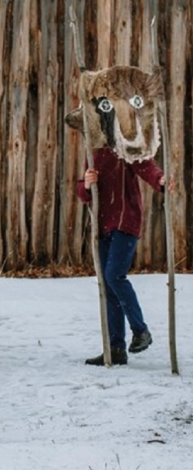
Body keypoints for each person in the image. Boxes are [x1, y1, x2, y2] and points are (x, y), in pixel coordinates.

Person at [78, 148, 167, 366]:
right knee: (108, 286)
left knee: (114, 275)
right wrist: (87, 184)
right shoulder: (94, 150)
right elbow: (82, 192)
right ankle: (116, 348)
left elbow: (145, 165)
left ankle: (140, 330)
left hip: (125, 220)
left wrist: (160, 179)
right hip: (103, 223)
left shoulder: (125, 145)